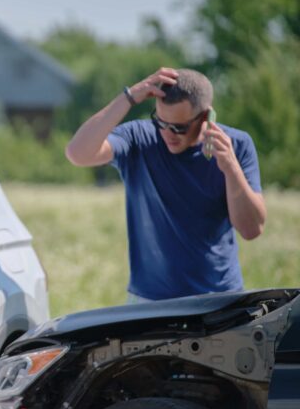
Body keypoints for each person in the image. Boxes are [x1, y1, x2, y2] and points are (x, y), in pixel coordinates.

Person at [65, 67, 266, 302]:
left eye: (179, 128)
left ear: (206, 117)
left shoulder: (237, 145)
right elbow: (78, 154)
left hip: (219, 298)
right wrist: (129, 97)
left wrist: (231, 168)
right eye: (160, 122)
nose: (167, 134)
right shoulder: (139, 138)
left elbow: (252, 230)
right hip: (150, 301)